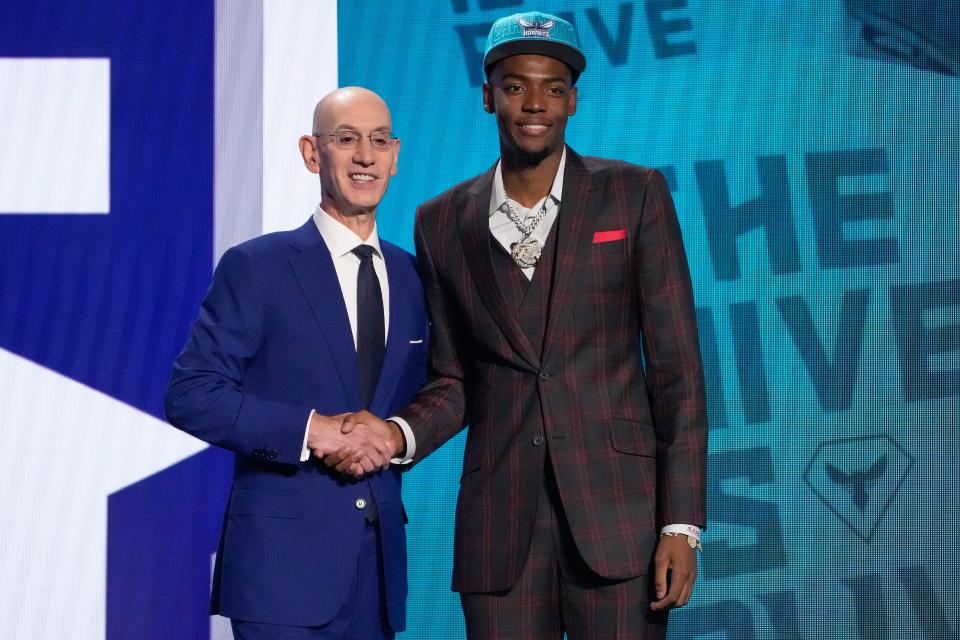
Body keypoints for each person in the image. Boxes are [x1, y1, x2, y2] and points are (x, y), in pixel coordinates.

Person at [340, 11, 708, 639]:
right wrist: (397, 433)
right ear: (488, 97)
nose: (534, 103)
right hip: (499, 526)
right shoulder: (440, 221)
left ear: (573, 100)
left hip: (618, 520)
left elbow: (677, 373)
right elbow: (455, 377)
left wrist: (681, 525)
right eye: (514, 86)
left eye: (552, 87)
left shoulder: (635, 194)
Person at [164, 87, 427, 640]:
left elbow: (439, 392)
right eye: (346, 139)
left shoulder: (413, 277)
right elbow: (191, 393)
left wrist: (396, 435)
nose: (364, 156)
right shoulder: (257, 266)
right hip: (279, 574)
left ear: (396, 155)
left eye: (379, 141)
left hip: (375, 570)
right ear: (312, 153)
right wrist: (314, 431)